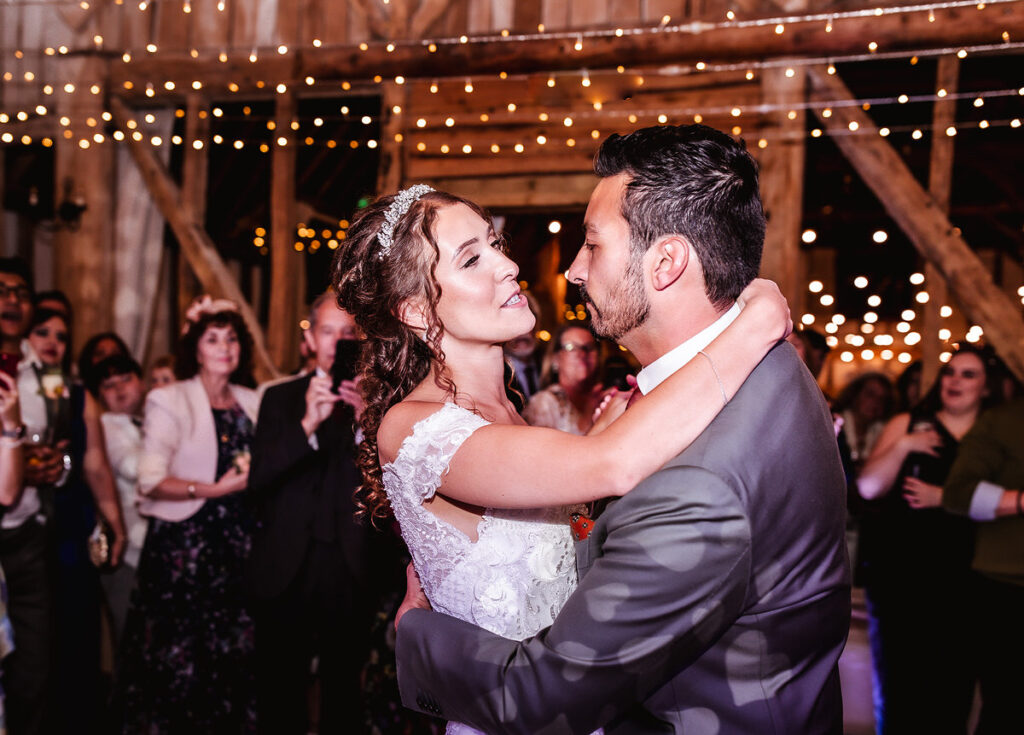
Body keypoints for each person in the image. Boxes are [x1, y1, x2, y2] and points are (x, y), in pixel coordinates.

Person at [336, 124, 848, 734]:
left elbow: (577, 536)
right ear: (418, 311)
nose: (509, 264)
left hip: (573, 696)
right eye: (473, 258)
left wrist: (590, 486)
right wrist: (754, 322)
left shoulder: (514, 416)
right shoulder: (420, 429)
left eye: (495, 242)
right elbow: (614, 467)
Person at [117, 302, 259, 733]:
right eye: (212, 339)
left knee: (233, 657)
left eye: (231, 338)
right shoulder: (168, 398)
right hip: (185, 549)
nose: (224, 347)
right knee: (178, 662)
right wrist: (215, 489)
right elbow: (150, 480)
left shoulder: (255, 400)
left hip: (238, 549)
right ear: (195, 350)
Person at [245, 291, 380, 734]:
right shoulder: (279, 399)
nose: (336, 341)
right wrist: (307, 424)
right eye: (327, 331)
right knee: (280, 690)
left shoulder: (378, 404)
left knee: (344, 691)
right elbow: (259, 480)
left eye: (347, 333)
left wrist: (368, 425)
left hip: (350, 564)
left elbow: (394, 487)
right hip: (286, 565)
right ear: (310, 339)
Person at [856, 346, 999, 734]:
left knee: (954, 686)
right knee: (901, 682)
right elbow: (868, 487)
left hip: (969, 575)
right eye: (950, 372)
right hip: (902, 573)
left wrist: (945, 497)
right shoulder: (909, 422)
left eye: (968, 375)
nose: (954, 380)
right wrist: (905, 446)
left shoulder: (994, 433)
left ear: (987, 388)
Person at [943, 391, 1024, 733]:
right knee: (1008, 707)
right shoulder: (1004, 421)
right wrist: (1020, 500)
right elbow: (958, 494)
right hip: (1007, 586)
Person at [90, 354, 148, 644]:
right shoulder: (106, 425)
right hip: (127, 550)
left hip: (152, 547)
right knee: (130, 639)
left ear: (142, 381)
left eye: (126, 379)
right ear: (100, 395)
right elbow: (135, 468)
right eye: (109, 385)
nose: (120, 389)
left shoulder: (150, 419)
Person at [523, 325, 606, 434]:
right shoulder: (544, 404)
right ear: (555, 359)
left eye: (589, 347)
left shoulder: (605, 399)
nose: (582, 353)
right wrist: (588, 416)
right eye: (571, 347)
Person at [833, 371, 894, 470]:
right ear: (854, 395)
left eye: (882, 398)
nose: (875, 402)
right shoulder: (834, 423)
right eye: (870, 394)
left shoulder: (885, 432)